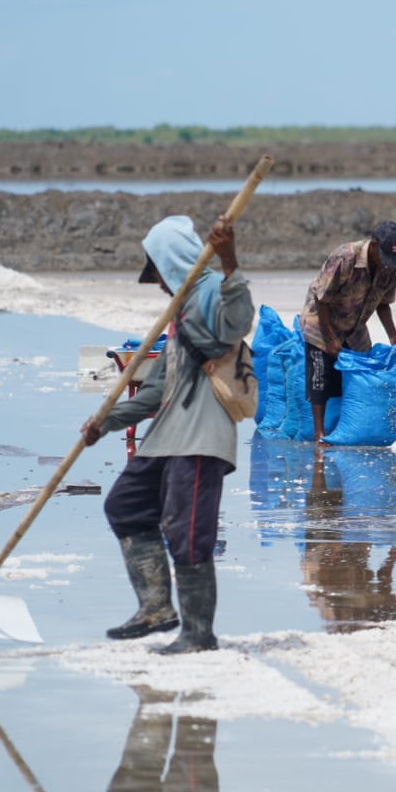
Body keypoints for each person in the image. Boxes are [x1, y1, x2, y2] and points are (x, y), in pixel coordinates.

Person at [81, 213, 253, 654]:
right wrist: (107, 421)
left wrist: (231, 261)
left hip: (200, 436)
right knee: (126, 505)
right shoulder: (177, 311)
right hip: (167, 436)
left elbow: (237, 321)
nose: (156, 284)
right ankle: (156, 607)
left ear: (170, 263)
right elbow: (158, 389)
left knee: (187, 530)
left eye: (156, 273)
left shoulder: (210, 289)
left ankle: (198, 635)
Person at [299, 220, 396, 443]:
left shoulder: (388, 267)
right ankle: (320, 432)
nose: (388, 265)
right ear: (375, 245)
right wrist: (330, 338)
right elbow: (322, 299)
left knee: (356, 373)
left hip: (354, 325)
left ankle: (346, 428)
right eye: (385, 258)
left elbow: (383, 302)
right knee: (320, 374)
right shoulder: (345, 257)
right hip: (321, 320)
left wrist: (393, 335)